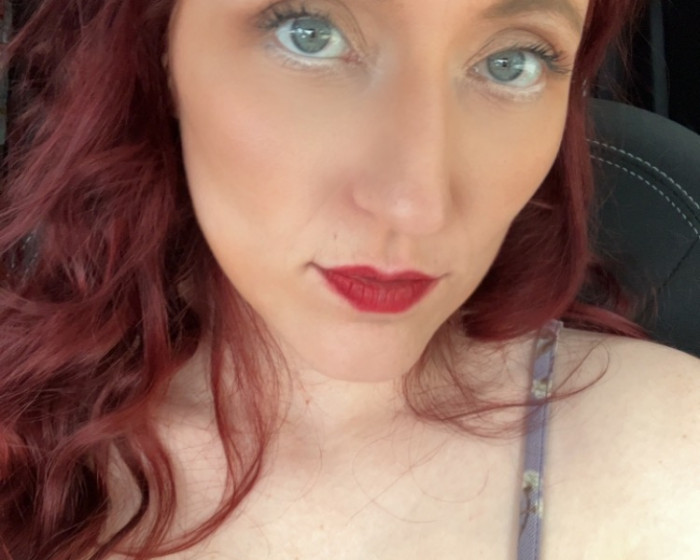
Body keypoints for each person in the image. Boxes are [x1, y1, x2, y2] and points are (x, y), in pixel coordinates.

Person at [1, 0, 699, 559]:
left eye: (512, 61)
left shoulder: (673, 462)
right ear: (160, 43)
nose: (416, 204)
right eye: (310, 33)